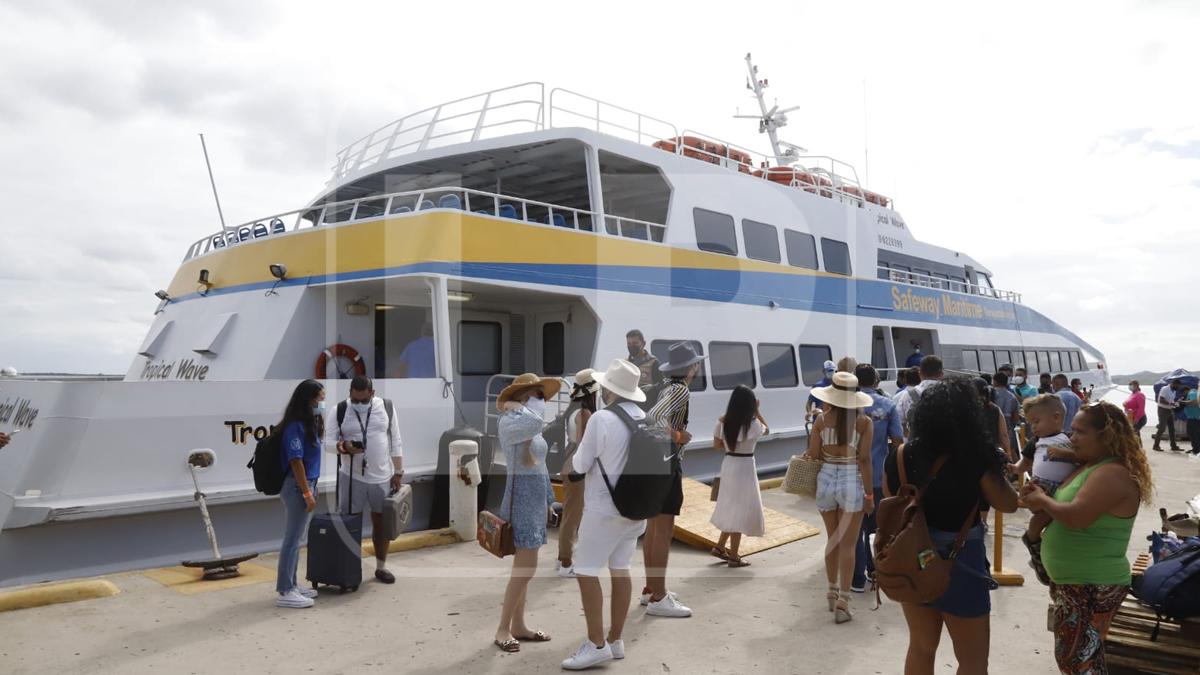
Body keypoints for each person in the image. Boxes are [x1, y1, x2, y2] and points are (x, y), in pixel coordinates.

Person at [884, 378, 1019, 675]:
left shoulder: (900, 455)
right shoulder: (976, 457)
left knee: (921, 647)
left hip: (912, 557)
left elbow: (892, 503)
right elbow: (1008, 504)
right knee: (972, 661)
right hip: (962, 559)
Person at [1020, 402, 1152, 674]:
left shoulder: (1113, 473)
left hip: (1091, 584)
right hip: (1077, 582)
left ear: (1106, 436)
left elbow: (1077, 517)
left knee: (1078, 662)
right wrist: (1039, 497)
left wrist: (1043, 500)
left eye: (1080, 432)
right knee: (1081, 661)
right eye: (1072, 431)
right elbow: (1062, 508)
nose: (1072, 438)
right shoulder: (1091, 466)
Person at [561, 359, 649, 670]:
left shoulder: (602, 418)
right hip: (636, 510)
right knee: (621, 569)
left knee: (585, 572)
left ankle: (596, 644)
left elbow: (580, 464)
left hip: (604, 510)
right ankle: (616, 640)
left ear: (609, 389)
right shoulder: (645, 417)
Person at [492, 373, 560, 653]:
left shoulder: (527, 422)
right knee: (526, 570)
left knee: (523, 569)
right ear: (523, 397)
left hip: (534, 502)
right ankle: (502, 629)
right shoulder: (511, 422)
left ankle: (518, 625)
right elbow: (536, 422)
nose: (542, 401)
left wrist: (549, 500)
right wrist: (515, 406)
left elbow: (541, 464)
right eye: (538, 395)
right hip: (520, 502)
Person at [641, 341, 706, 618]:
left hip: (652, 463)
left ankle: (651, 588)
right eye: (696, 363)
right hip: (667, 462)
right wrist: (679, 436)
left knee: (653, 528)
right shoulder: (680, 390)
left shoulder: (664, 386)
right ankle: (659, 596)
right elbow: (653, 417)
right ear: (691, 367)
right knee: (664, 530)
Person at [805, 371, 874, 624]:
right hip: (851, 480)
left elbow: (814, 455)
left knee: (832, 540)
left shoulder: (821, 420)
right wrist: (869, 495)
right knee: (848, 544)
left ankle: (831, 591)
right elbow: (864, 460)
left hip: (825, 480)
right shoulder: (864, 423)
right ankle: (844, 601)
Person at [326, 376, 403, 584]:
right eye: (355, 400)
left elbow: (396, 440)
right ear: (349, 393)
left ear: (372, 394)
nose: (359, 404)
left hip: (382, 476)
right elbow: (327, 443)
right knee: (350, 523)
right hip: (352, 477)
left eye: (364, 400)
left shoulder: (386, 407)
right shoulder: (339, 410)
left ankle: (381, 567)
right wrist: (344, 446)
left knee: (382, 523)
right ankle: (350, 570)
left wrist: (398, 471)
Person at [1007, 394, 1078, 586]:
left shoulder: (1069, 439)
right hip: (1041, 486)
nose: (1033, 427)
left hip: (1062, 488)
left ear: (1056, 417)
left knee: (1055, 523)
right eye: (1031, 423)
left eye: (1037, 421)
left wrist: (1066, 453)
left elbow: (1080, 457)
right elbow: (1025, 462)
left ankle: (1043, 554)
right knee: (1040, 518)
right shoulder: (1036, 441)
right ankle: (1032, 541)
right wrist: (1015, 468)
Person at [850, 364, 903, 595]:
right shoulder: (888, 405)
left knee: (854, 530)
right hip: (878, 475)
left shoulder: (845, 404)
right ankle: (874, 571)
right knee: (876, 529)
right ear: (876, 381)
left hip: (849, 475)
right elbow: (898, 440)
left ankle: (856, 578)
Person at [274, 379, 326, 609]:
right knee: (292, 539)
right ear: (309, 400)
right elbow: (296, 461)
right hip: (297, 487)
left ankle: (292, 584)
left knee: (297, 538)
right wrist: (306, 492)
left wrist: (312, 487)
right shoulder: (295, 425)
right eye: (320, 398)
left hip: (307, 485)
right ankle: (285, 590)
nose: (322, 403)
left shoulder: (309, 423)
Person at [710, 385, 769, 568]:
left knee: (731, 506)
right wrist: (758, 411)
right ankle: (734, 556)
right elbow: (767, 429)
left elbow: (716, 446)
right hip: (746, 466)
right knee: (740, 509)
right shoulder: (754, 425)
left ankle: (720, 547)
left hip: (729, 464)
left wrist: (730, 443)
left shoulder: (722, 422)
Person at [558, 368, 599, 578]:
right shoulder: (585, 413)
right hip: (577, 467)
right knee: (573, 516)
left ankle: (563, 558)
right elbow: (585, 445)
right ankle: (566, 563)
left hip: (568, 462)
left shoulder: (572, 410)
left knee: (570, 514)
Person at [895, 355, 944, 437]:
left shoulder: (907, 395)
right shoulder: (951, 393)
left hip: (918, 442)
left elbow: (899, 422)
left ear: (920, 373)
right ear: (942, 374)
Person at [972, 377, 1013, 462]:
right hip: (993, 452)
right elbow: (1004, 435)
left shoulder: (966, 408)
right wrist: (1009, 455)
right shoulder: (995, 408)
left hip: (972, 453)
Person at [991, 372, 1020, 456]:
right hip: (1008, 428)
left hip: (992, 428)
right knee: (1010, 452)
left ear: (995, 381)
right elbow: (1015, 417)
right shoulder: (1012, 396)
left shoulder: (990, 394)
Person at [1152, 379, 1183, 452]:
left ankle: (1173, 446)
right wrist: (1171, 403)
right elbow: (1161, 400)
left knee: (1172, 429)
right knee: (1162, 428)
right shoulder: (1165, 389)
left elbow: (1171, 401)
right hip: (1162, 410)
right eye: (1178, 386)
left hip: (1169, 410)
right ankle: (1156, 446)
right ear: (1174, 384)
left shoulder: (1174, 391)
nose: (1178, 388)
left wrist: (1175, 404)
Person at [1122, 380, 1147, 444]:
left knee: (1134, 433)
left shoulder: (1140, 395)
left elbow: (1141, 408)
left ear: (1136, 386)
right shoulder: (1132, 394)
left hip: (1140, 418)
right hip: (1131, 417)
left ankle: (1138, 447)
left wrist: (1137, 419)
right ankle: (1139, 447)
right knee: (1135, 434)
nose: (1130, 386)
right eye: (1129, 385)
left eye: (1131, 385)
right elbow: (1130, 404)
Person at [1183, 385, 1200, 457]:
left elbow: (1195, 402)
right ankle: (1196, 448)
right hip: (1194, 417)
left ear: (1185, 391)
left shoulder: (1192, 393)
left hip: (1194, 417)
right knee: (1195, 434)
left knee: (1192, 433)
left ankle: (1196, 450)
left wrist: (1183, 402)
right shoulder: (1195, 392)